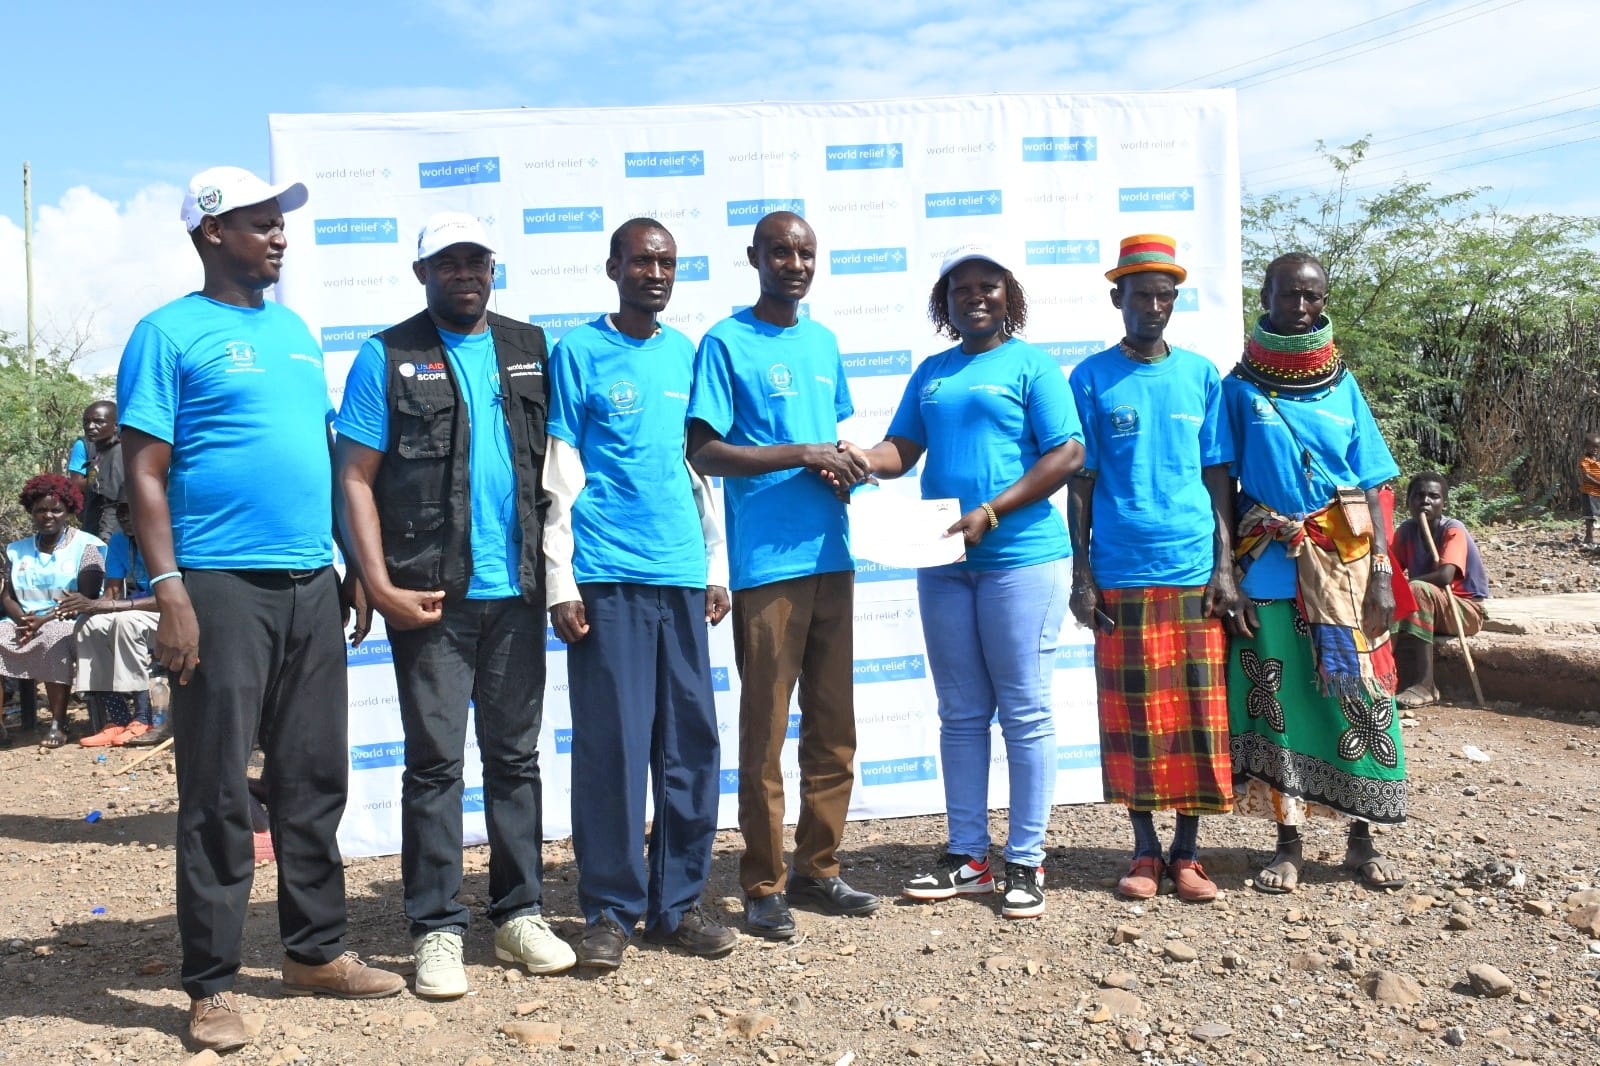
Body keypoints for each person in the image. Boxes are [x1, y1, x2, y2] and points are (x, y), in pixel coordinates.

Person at [118, 166, 403, 1053]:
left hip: (309, 583)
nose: (279, 236)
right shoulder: (167, 334)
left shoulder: (293, 333)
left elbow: (322, 456)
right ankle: (210, 984)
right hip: (217, 586)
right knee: (215, 791)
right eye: (260, 222)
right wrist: (170, 589)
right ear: (212, 231)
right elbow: (144, 473)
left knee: (312, 776)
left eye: (281, 222)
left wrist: (351, 565)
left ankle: (314, 951)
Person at [335, 211, 574, 997]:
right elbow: (354, 477)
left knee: (515, 761)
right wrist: (377, 584)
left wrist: (563, 579)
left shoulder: (530, 347)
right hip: (431, 596)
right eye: (448, 262)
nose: (465, 273)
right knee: (435, 764)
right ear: (422, 273)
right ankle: (436, 928)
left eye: (477, 260)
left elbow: (561, 469)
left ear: (493, 268)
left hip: (518, 594)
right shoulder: (387, 355)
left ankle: (519, 916)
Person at [841, 247, 1084, 920]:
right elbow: (901, 451)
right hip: (946, 561)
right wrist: (861, 459)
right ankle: (969, 856)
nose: (975, 296)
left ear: (1010, 297)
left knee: (1025, 711)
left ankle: (1026, 860)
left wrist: (991, 512)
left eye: (988, 286)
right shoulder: (933, 372)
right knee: (961, 712)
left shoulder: (1032, 366)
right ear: (943, 304)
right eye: (960, 289)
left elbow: (1068, 452)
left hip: (1022, 559)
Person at [544, 218, 735, 969]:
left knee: (691, 747)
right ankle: (610, 912)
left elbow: (699, 470)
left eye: (667, 263)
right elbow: (561, 471)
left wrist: (715, 566)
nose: (655, 274)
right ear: (613, 267)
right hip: (608, 576)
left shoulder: (688, 354)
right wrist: (561, 579)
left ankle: (678, 905)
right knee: (613, 751)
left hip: (681, 576)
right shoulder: (579, 352)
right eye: (641, 261)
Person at [686, 211, 879, 940]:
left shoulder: (822, 342)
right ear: (754, 257)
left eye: (805, 252)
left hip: (834, 554)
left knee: (834, 728)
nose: (795, 263)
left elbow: (828, 439)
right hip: (767, 568)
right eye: (780, 252)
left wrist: (844, 463)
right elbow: (704, 451)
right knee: (765, 733)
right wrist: (802, 453)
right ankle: (763, 882)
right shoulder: (726, 342)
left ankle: (818, 868)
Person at [1223, 252, 1407, 895]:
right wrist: (1226, 571)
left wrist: (1381, 569)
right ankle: (1289, 843)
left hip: (1346, 566)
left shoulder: (1343, 385)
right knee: (1280, 704)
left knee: (1360, 697)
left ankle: (1362, 837)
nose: (1301, 308)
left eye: (1312, 296)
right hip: (1268, 563)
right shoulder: (1240, 389)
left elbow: (1373, 483)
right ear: (1265, 297)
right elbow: (1220, 483)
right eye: (1288, 295)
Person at [1066, 235, 1237, 903]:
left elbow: (1218, 474)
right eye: (1142, 295)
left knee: (1197, 717)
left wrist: (1225, 566)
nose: (1154, 306)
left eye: (1165, 295)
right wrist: (1082, 576)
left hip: (1193, 568)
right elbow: (1080, 482)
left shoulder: (1200, 375)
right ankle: (1143, 850)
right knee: (1133, 717)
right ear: (1119, 299)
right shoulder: (1091, 379)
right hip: (1121, 570)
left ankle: (1188, 854)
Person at [0, 474, 105, 749]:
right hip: (24, 620)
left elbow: (87, 598)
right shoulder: (17, 550)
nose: (48, 515)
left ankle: (59, 722)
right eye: (41, 510)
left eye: (56, 510)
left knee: (52, 637)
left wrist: (43, 620)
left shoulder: (87, 546)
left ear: (68, 510)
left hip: (70, 619)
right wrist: (23, 621)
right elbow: (7, 595)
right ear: (31, 512)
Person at [1390, 473, 1489, 708]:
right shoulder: (1407, 531)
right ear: (1408, 502)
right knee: (1386, 591)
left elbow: (1445, 576)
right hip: (1427, 606)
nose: (1425, 501)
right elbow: (1391, 571)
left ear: (1444, 503)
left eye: (1433, 496)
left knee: (1417, 589)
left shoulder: (1453, 530)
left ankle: (1426, 686)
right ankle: (1383, 676)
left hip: (1463, 610)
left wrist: (1406, 587)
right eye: (1419, 496)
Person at [71, 501, 160, 747]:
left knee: (124, 622)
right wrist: (86, 606)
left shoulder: (166, 535)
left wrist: (115, 606)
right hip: (136, 611)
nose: (125, 517)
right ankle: (118, 718)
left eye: (131, 509)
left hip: (169, 614)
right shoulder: (120, 541)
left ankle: (143, 717)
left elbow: (168, 597)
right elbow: (112, 593)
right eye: (120, 512)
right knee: (88, 625)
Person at [66, 401, 125, 541]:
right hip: (93, 529)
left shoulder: (117, 453)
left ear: (115, 426)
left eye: (99, 422)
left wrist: (105, 540)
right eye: (86, 422)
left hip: (108, 535)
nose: (90, 426)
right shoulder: (101, 452)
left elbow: (112, 504)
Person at [1579, 432, 1600, 548]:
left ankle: (1592, 537)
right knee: (1590, 516)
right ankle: (1589, 537)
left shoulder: (1597, 462)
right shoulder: (1585, 461)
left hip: (1597, 493)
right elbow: (1586, 477)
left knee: (1597, 515)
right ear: (1586, 446)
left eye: (1597, 446)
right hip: (1589, 493)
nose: (1595, 449)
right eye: (1592, 446)